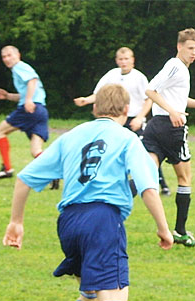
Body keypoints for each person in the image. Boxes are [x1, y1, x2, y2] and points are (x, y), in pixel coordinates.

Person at [2, 84, 174, 301]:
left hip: (69, 223)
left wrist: (16, 222)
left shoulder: (72, 135)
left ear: (96, 109)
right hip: (102, 221)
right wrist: (164, 229)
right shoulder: (127, 139)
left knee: (91, 295)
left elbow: (24, 178)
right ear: (125, 111)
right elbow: (149, 187)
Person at [143, 28, 195, 247]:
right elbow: (151, 90)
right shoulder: (175, 65)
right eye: (190, 48)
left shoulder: (181, 69)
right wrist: (173, 112)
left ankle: (109, 218)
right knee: (184, 179)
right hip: (171, 129)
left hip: (155, 127)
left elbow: (177, 98)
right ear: (179, 47)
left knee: (145, 177)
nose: (194, 52)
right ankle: (180, 231)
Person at [73, 47, 171, 195]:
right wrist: (85, 100)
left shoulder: (139, 78)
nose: (124, 62)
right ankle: (99, 180)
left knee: (146, 151)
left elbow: (149, 100)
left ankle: (161, 183)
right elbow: (99, 94)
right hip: (114, 119)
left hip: (133, 119)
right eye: (121, 59)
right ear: (117, 60)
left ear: (133, 60)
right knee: (105, 148)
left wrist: (140, 117)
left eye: (127, 59)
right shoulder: (111, 75)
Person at [0, 46, 57, 188]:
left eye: (9, 55)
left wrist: (28, 100)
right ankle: (54, 173)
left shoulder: (19, 67)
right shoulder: (21, 69)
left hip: (30, 109)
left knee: (0, 131)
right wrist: (8, 96)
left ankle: (7, 169)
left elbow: (32, 81)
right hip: (41, 110)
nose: (7, 59)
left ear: (18, 55)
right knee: (36, 151)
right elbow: (27, 92)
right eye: (4, 57)